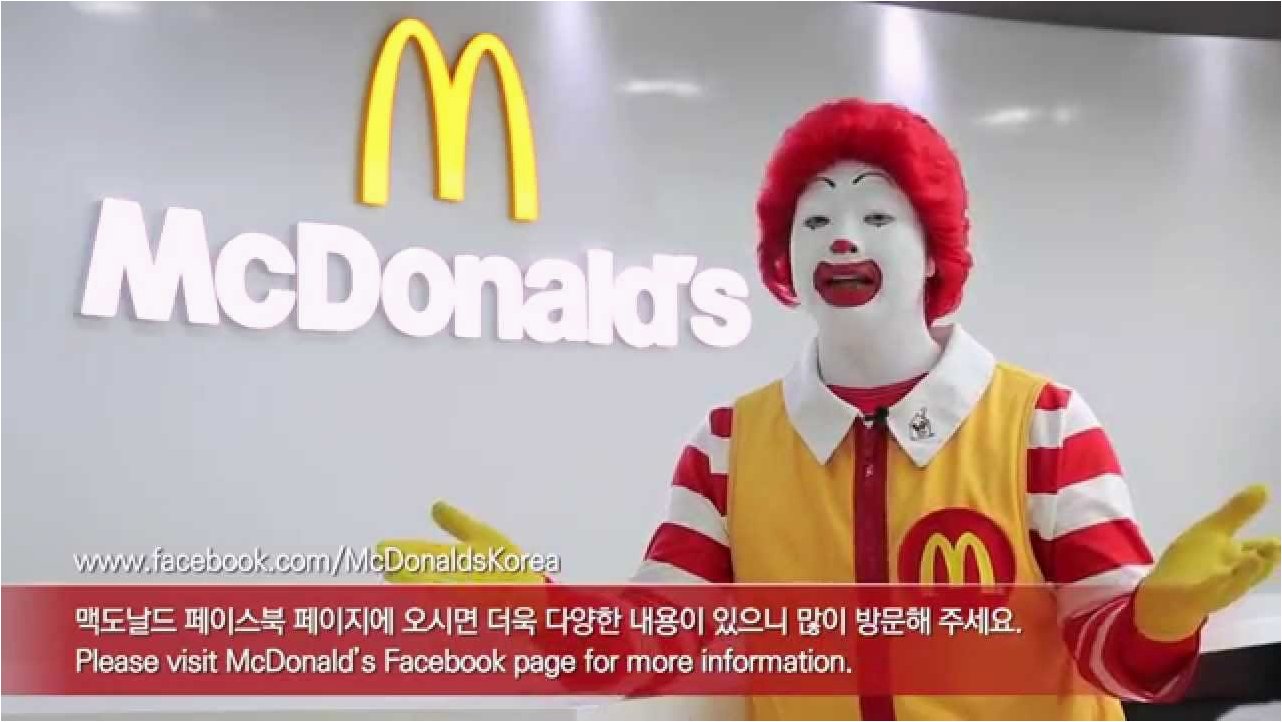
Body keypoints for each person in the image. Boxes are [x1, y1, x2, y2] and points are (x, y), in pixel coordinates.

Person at [379, 99, 1280, 720]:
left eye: (878, 217)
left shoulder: (1044, 424)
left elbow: (1118, 661)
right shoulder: (728, 446)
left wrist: (1161, 618)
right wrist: (538, 612)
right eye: (814, 222)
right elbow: (648, 649)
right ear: (787, 258)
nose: (842, 238)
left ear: (935, 252)